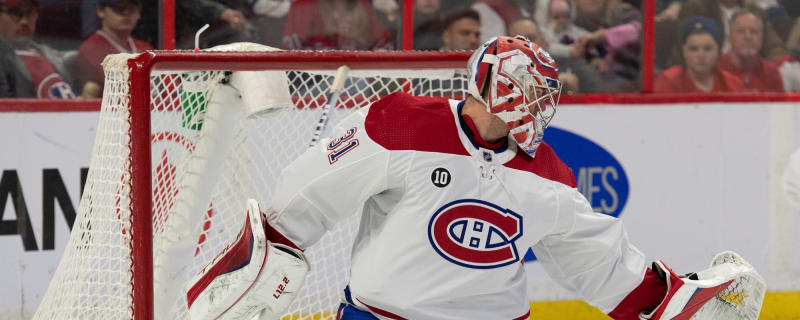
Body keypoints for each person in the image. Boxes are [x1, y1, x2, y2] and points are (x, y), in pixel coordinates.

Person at [186, 35, 765, 320]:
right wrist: (270, 248)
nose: (539, 106)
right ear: (491, 85)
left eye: (545, 95)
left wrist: (676, 300)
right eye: (530, 91)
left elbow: (601, 266)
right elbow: (304, 201)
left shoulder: (548, 177)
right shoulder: (400, 125)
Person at [74, 0, 153, 97]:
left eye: (132, 8)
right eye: (119, 7)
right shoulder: (90, 50)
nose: (126, 13)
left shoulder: (145, 48)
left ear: (139, 12)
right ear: (101, 11)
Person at [0, 0, 75, 98]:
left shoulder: (45, 52)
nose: (24, 21)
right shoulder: (3, 59)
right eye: (14, 13)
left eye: (30, 13)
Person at [655, 16, 744, 93]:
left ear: (718, 52)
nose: (701, 55)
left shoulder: (732, 84)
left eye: (708, 49)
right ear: (684, 52)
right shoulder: (667, 82)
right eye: (694, 49)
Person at [282, 0, 394, 51]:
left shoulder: (365, 6)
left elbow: (385, 45)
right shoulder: (303, 7)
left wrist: (379, 53)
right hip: (312, 84)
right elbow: (291, 56)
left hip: (358, 82)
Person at [716, 9, 784, 92]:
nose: (748, 37)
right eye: (741, 31)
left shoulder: (771, 72)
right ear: (729, 38)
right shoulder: (715, 69)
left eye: (754, 32)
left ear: (762, 38)